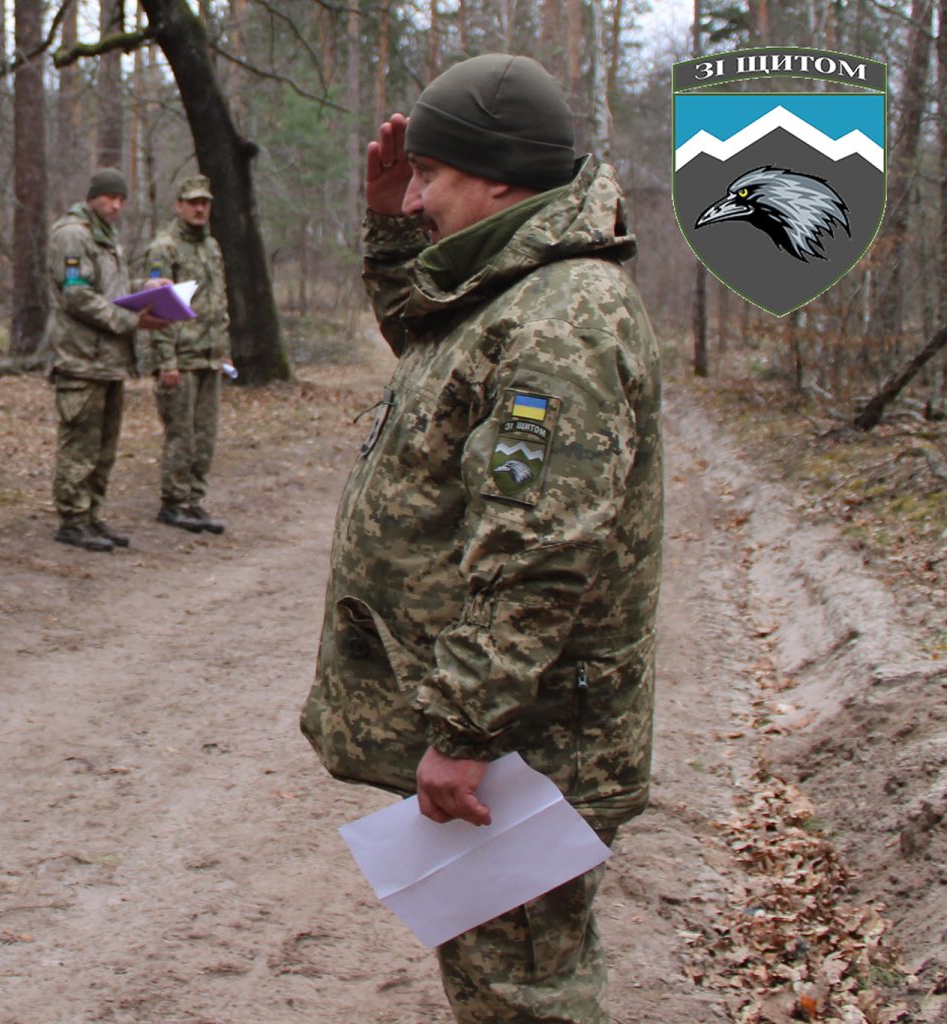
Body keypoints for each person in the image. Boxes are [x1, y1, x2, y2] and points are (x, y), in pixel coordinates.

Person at [300, 54, 662, 1024]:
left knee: (524, 992)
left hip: (526, 745)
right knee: (506, 978)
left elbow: (540, 549)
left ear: (498, 178)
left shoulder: (562, 319)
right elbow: (436, 347)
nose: (415, 197)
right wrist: (390, 232)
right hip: (516, 730)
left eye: (429, 176)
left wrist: (466, 730)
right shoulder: (514, 286)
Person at [47, 167, 167, 552]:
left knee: (104, 447)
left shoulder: (106, 236)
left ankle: (91, 514)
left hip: (109, 359)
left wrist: (145, 288)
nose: (115, 206)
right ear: (93, 197)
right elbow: (76, 295)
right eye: (109, 198)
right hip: (81, 359)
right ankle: (72, 519)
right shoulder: (73, 235)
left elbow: (109, 290)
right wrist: (132, 320)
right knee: (80, 444)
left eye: (120, 199)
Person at [142, 174, 233, 536]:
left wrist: (224, 351)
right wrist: (167, 361)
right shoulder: (164, 249)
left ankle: (194, 500)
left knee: (205, 434)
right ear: (178, 206)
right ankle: (174, 502)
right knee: (181, 433)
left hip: (209, 354)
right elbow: (157, 309)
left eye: (204, 203)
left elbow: (219, 302)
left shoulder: (211, 247)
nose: (199, 209)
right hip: (181, 357)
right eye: (193, 202)